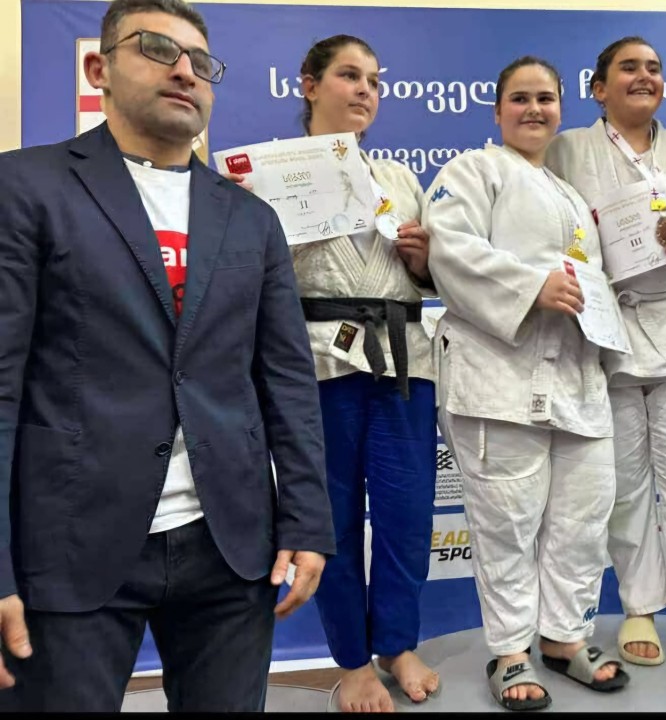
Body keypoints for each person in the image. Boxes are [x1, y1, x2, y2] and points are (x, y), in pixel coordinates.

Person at [0, 0, 334, 711]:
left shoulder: (251, 218)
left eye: (200, 62)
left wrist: (307, 520)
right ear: (100, 68)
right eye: (156, 49)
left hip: (231, 548)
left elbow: (287, 384)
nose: (185, 71)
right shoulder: (25, 187)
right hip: (70, 542)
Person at [226, 34, 438, 713]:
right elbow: (247, 279)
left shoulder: (399, 179)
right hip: (317, 361)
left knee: (407, 514)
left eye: (374, 79)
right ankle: (351, 662)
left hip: (405, 358)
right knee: (334, 519)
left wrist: (424, 262)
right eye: (349, 75)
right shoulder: (267, 174)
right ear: (309, 85)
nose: (365, 90)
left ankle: (398, 643)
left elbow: (432, 278)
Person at [423, 56, 629, 712]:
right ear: (497, 110)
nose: (534, 109)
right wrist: (531, 285)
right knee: (507, 525)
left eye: (545, 98)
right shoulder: (471, 172)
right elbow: (448, 250)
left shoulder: (569, 195)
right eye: (520, 98)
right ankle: (511, 651)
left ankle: (565, 637)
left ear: (562, 108)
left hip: (577, 377)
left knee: (582, 520)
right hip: (499, 378)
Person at [546, 37, 666, 676]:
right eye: (628, 68)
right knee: (624, 486)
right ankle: (639, 606)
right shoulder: (567, 149)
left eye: (654, 68)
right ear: (598, 88)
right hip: (609, 336)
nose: (644, 76)